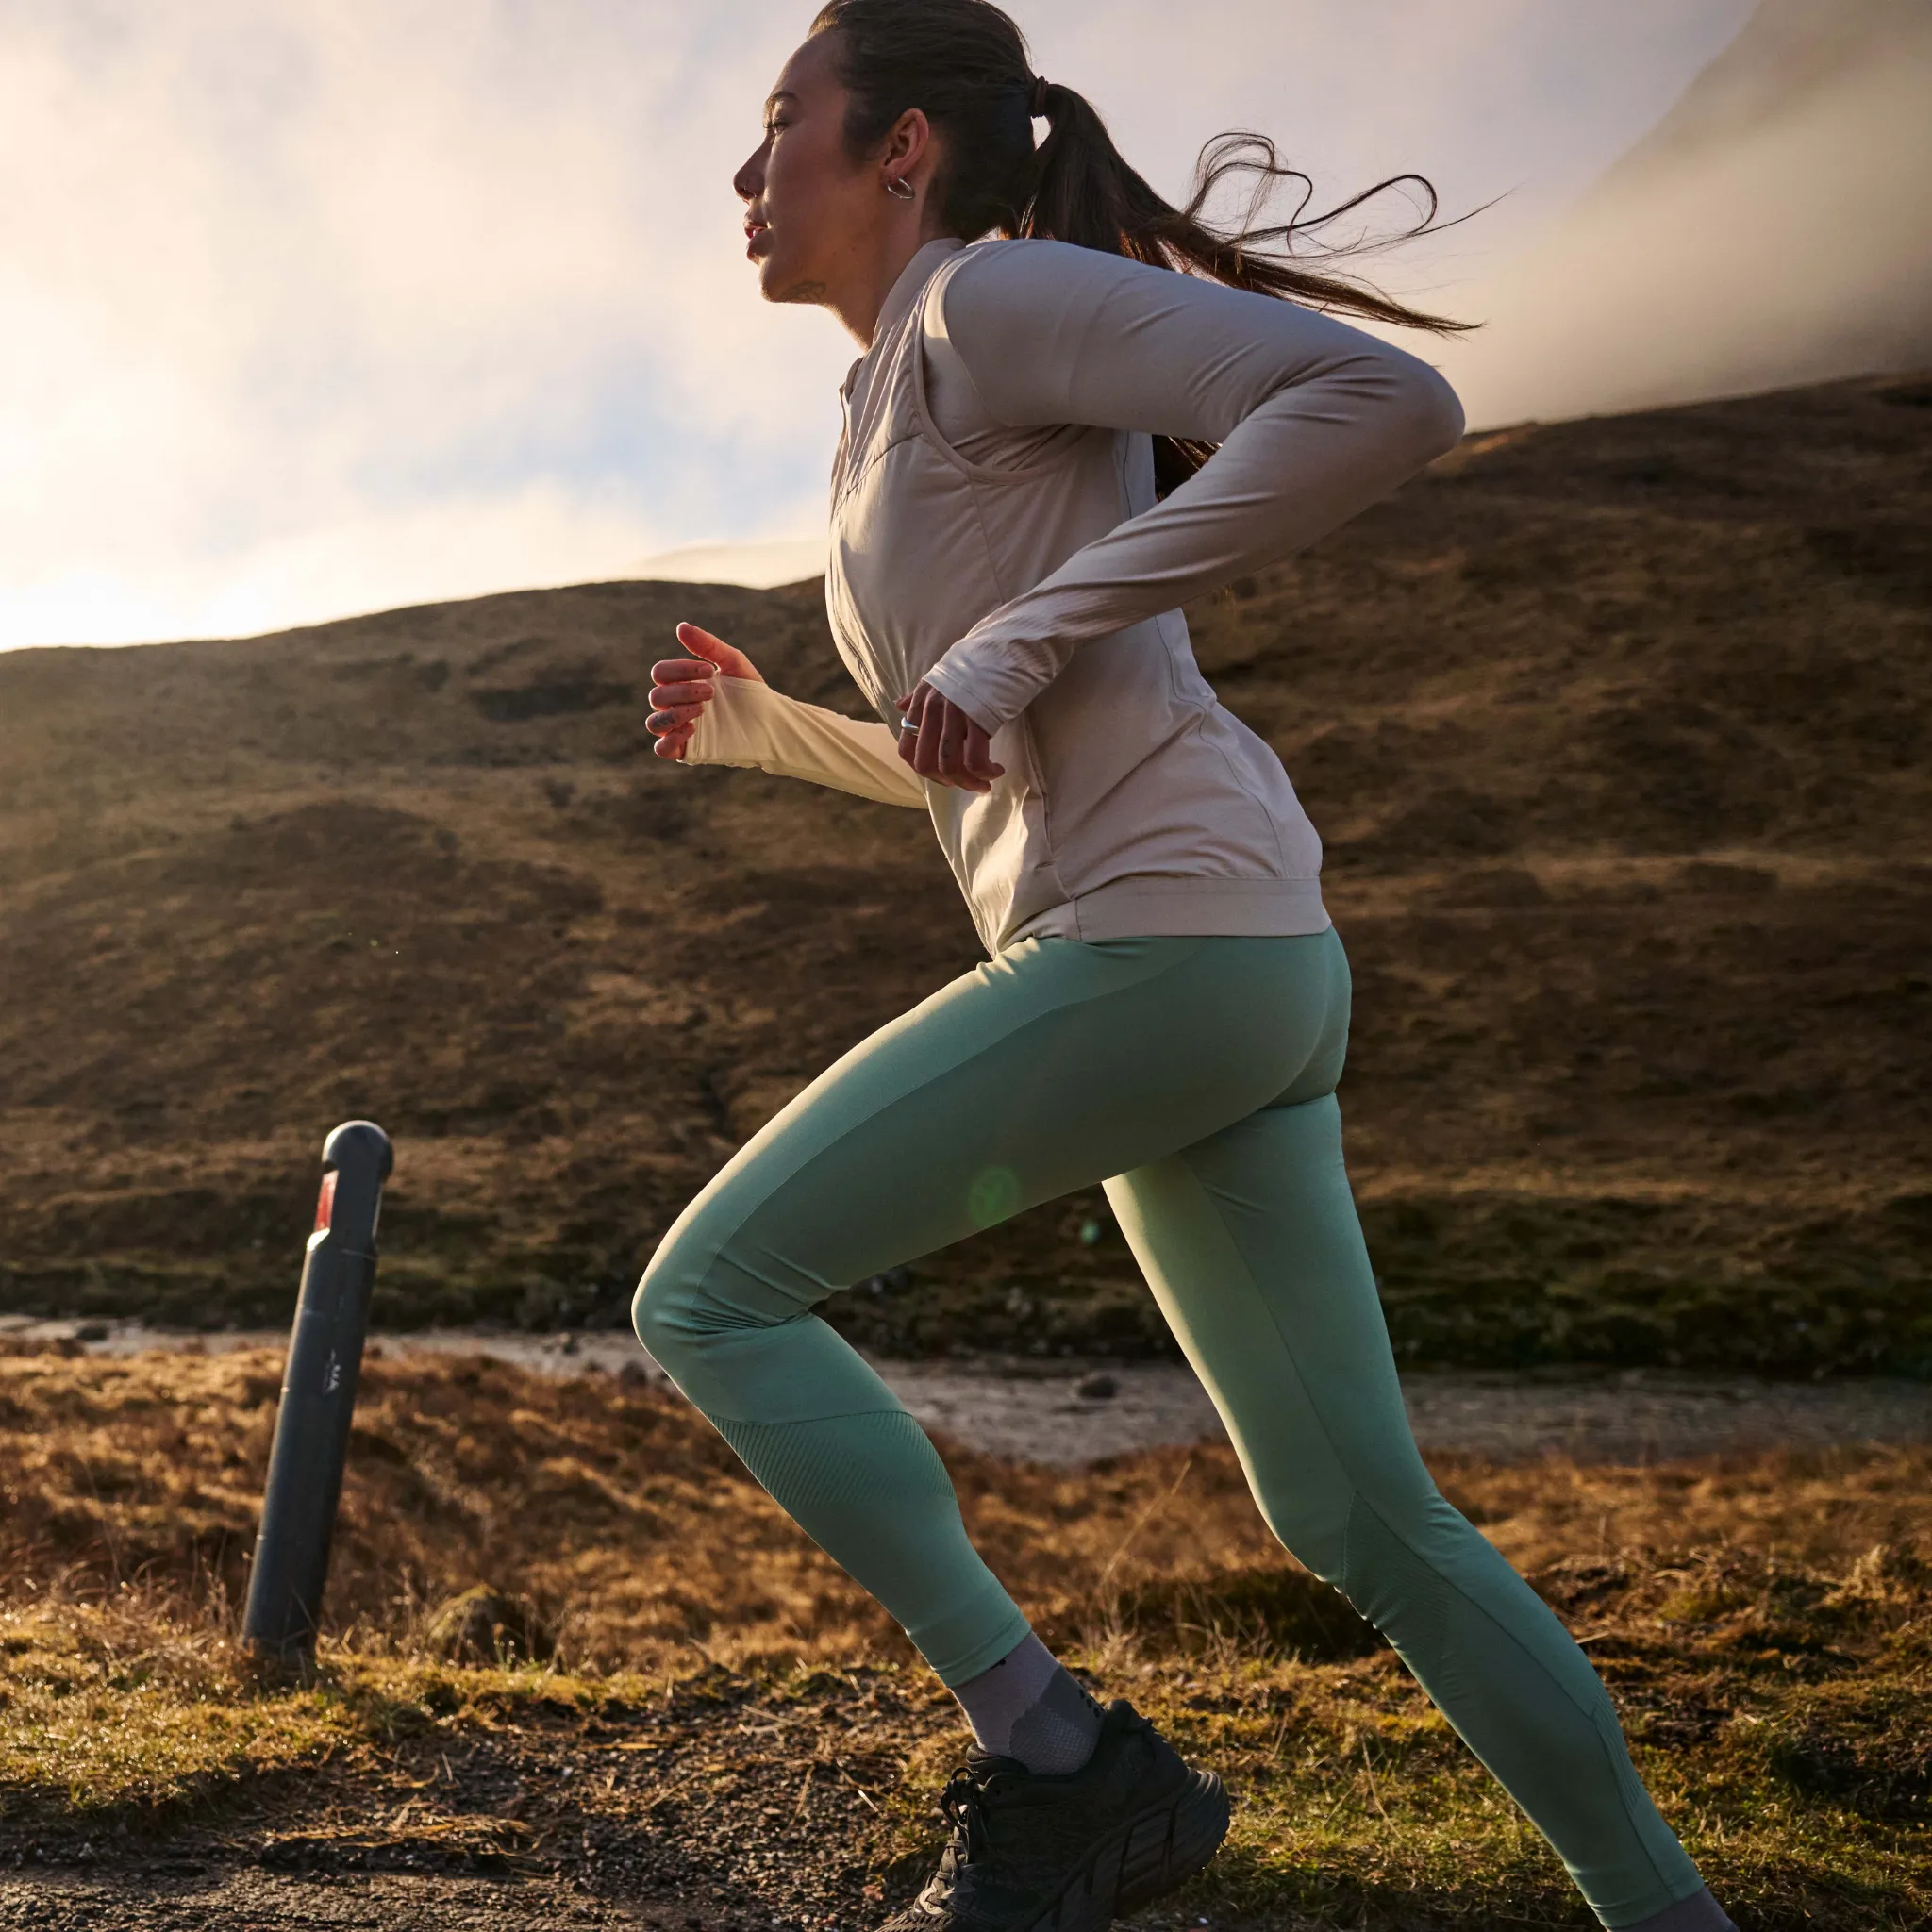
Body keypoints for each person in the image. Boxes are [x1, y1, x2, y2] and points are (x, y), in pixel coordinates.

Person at [634, 6, 1737, 1930]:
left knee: (711, 1296)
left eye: (779, 122)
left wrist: (1020, 639)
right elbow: (978, 756)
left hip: (1166, 941)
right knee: (1361, 1520)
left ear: (901, 149)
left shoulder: (987, 303)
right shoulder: (900, 387)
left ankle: (1061, 1759)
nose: (746, 172)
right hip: (1219, 964)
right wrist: (778, 734)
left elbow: (1387, 404)